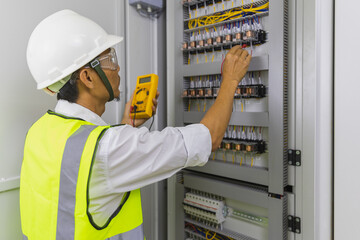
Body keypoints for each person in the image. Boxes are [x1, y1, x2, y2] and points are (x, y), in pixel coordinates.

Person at [20, 10, 251, 240]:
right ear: (88, 77)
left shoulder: (40, 131)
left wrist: (127, 124)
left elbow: (85, 186)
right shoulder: (107, 148)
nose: (117, 68)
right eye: (110, 59)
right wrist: (230, 81)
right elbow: (209, 137)